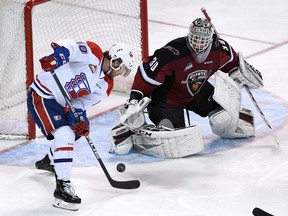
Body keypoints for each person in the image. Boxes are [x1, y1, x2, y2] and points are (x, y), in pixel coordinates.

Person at [109, 17, 263, 158]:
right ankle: (133, 134)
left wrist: (241, 70)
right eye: (195, 39)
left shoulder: (219, 49)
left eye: (203, 41)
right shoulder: (172, 52)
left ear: (210, 40)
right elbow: (146, 74)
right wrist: (135, 99)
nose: (198, 44)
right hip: (166, 100)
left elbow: (233, 63)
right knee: (177, 139)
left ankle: (230, 121)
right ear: (189, 36)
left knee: (224, 116)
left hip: (196, 93)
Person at [27, 39, 135, 211]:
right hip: (42, 94)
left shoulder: (106, 85)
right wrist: (58, 58)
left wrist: (79, 118)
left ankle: (50, 160)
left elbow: (79, 104)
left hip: (60, 102)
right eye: (122, 68)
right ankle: (62, 187)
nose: (121, 73)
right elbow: (70, 48)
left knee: (77, 132)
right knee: (65, 134)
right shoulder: (94, 52)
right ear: (116, 60)